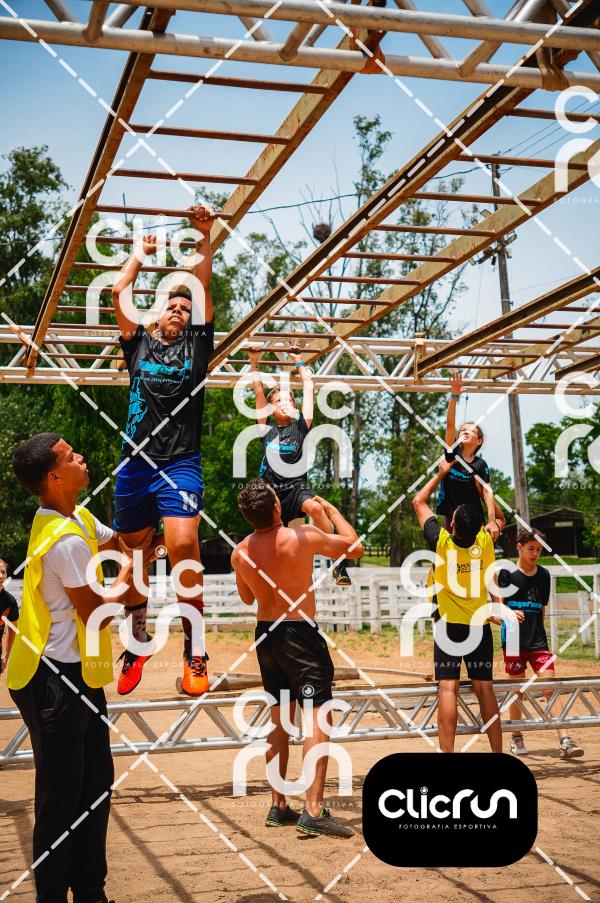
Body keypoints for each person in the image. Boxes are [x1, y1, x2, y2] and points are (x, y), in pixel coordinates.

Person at [7, 432, 152, 903]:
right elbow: (97, 613)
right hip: (51, 678)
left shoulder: (79, 517)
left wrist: (147, 525)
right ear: (54, 477)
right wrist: (128, 574)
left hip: (77, 675)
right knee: (60, 797)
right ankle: (53, 897)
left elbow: (121, 538)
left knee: (95, 787)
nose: (82, 458)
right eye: (72, 456)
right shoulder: (64, 540)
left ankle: (91, 892)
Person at [111, 204, 215, 696]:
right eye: (171, 305)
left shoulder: (196, 349)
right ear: (155, 314)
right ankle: (137, 641)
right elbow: (118, 291)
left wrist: (204, 237)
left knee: (182, 544)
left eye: (185, 308)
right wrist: (140, 253)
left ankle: (196, 651)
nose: (178, 310)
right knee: (134, 558)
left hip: (179, 462)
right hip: (135, 463)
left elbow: (203, 287)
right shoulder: (138, 346)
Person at [231, 478, 364, 837]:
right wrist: (331, 510)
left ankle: (278, 805)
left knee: (279, 720)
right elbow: (354, 547)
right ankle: (314, 810)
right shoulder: (301, 536)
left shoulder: (240, 552)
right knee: (318, 715)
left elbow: (247, 597)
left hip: (266, 635)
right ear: (277, 507)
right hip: (299, 633)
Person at [412, 457, 509, 753]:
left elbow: (418, 501)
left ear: (451, 524)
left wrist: (441, 473)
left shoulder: (441, 542)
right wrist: (487, 493)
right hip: (479, 625)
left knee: (448, 688)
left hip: (448, 626)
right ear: (479, 527)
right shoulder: (485, 541)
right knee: (485, 689)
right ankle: (497, 753)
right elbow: (499, 519)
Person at [247, 345, 352, 586]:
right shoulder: (265, 428)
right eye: (278, 401)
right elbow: (258, 392)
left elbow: (309, 387)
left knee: (316, 508)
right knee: (274, 539)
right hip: (272, 492)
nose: (284, 404)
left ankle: (336, 561)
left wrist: (299, 362)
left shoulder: (301, 425)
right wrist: (254, 363)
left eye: (288, 400)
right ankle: (267, 574)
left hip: (296, 488)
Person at [494, 528, 584, 760]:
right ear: (519, 547)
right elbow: (498, 606)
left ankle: (565, 739)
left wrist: (540, 636)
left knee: (550, 686)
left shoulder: (544, 575)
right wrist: (508, 613)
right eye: (531, 548)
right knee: (518, 690)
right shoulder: (506, 573)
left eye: (539, 550)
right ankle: (516, 736)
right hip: (513, 640)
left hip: (537, 641)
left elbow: (541, 608)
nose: (535, 553)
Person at [439, 373, 505, 542]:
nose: (466, 432)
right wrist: (454, 396)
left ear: (479, 440)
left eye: (472, 431)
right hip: (453, 521)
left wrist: (492, 520)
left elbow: (488, 492)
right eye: (463, 430)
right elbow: (450, 425)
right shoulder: (452, 454)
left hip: (476, 521)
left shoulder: (481, 464)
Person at [0, 558, 18, 675]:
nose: (1, 576)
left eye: (3, 572)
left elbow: (13, 627)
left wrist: (6, 656)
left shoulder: (9, 601)